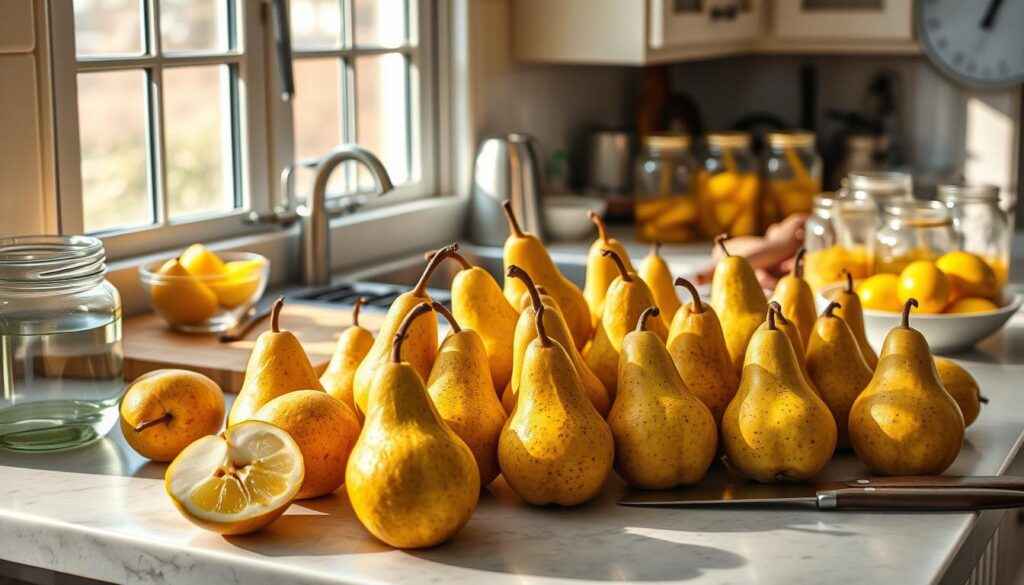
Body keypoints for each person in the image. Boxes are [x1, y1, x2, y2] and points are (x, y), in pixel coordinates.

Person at [694, 213, 808, 289]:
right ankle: (717, 269)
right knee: (719, 251)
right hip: (788, 236)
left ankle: (717, 269)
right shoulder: (793, 228)